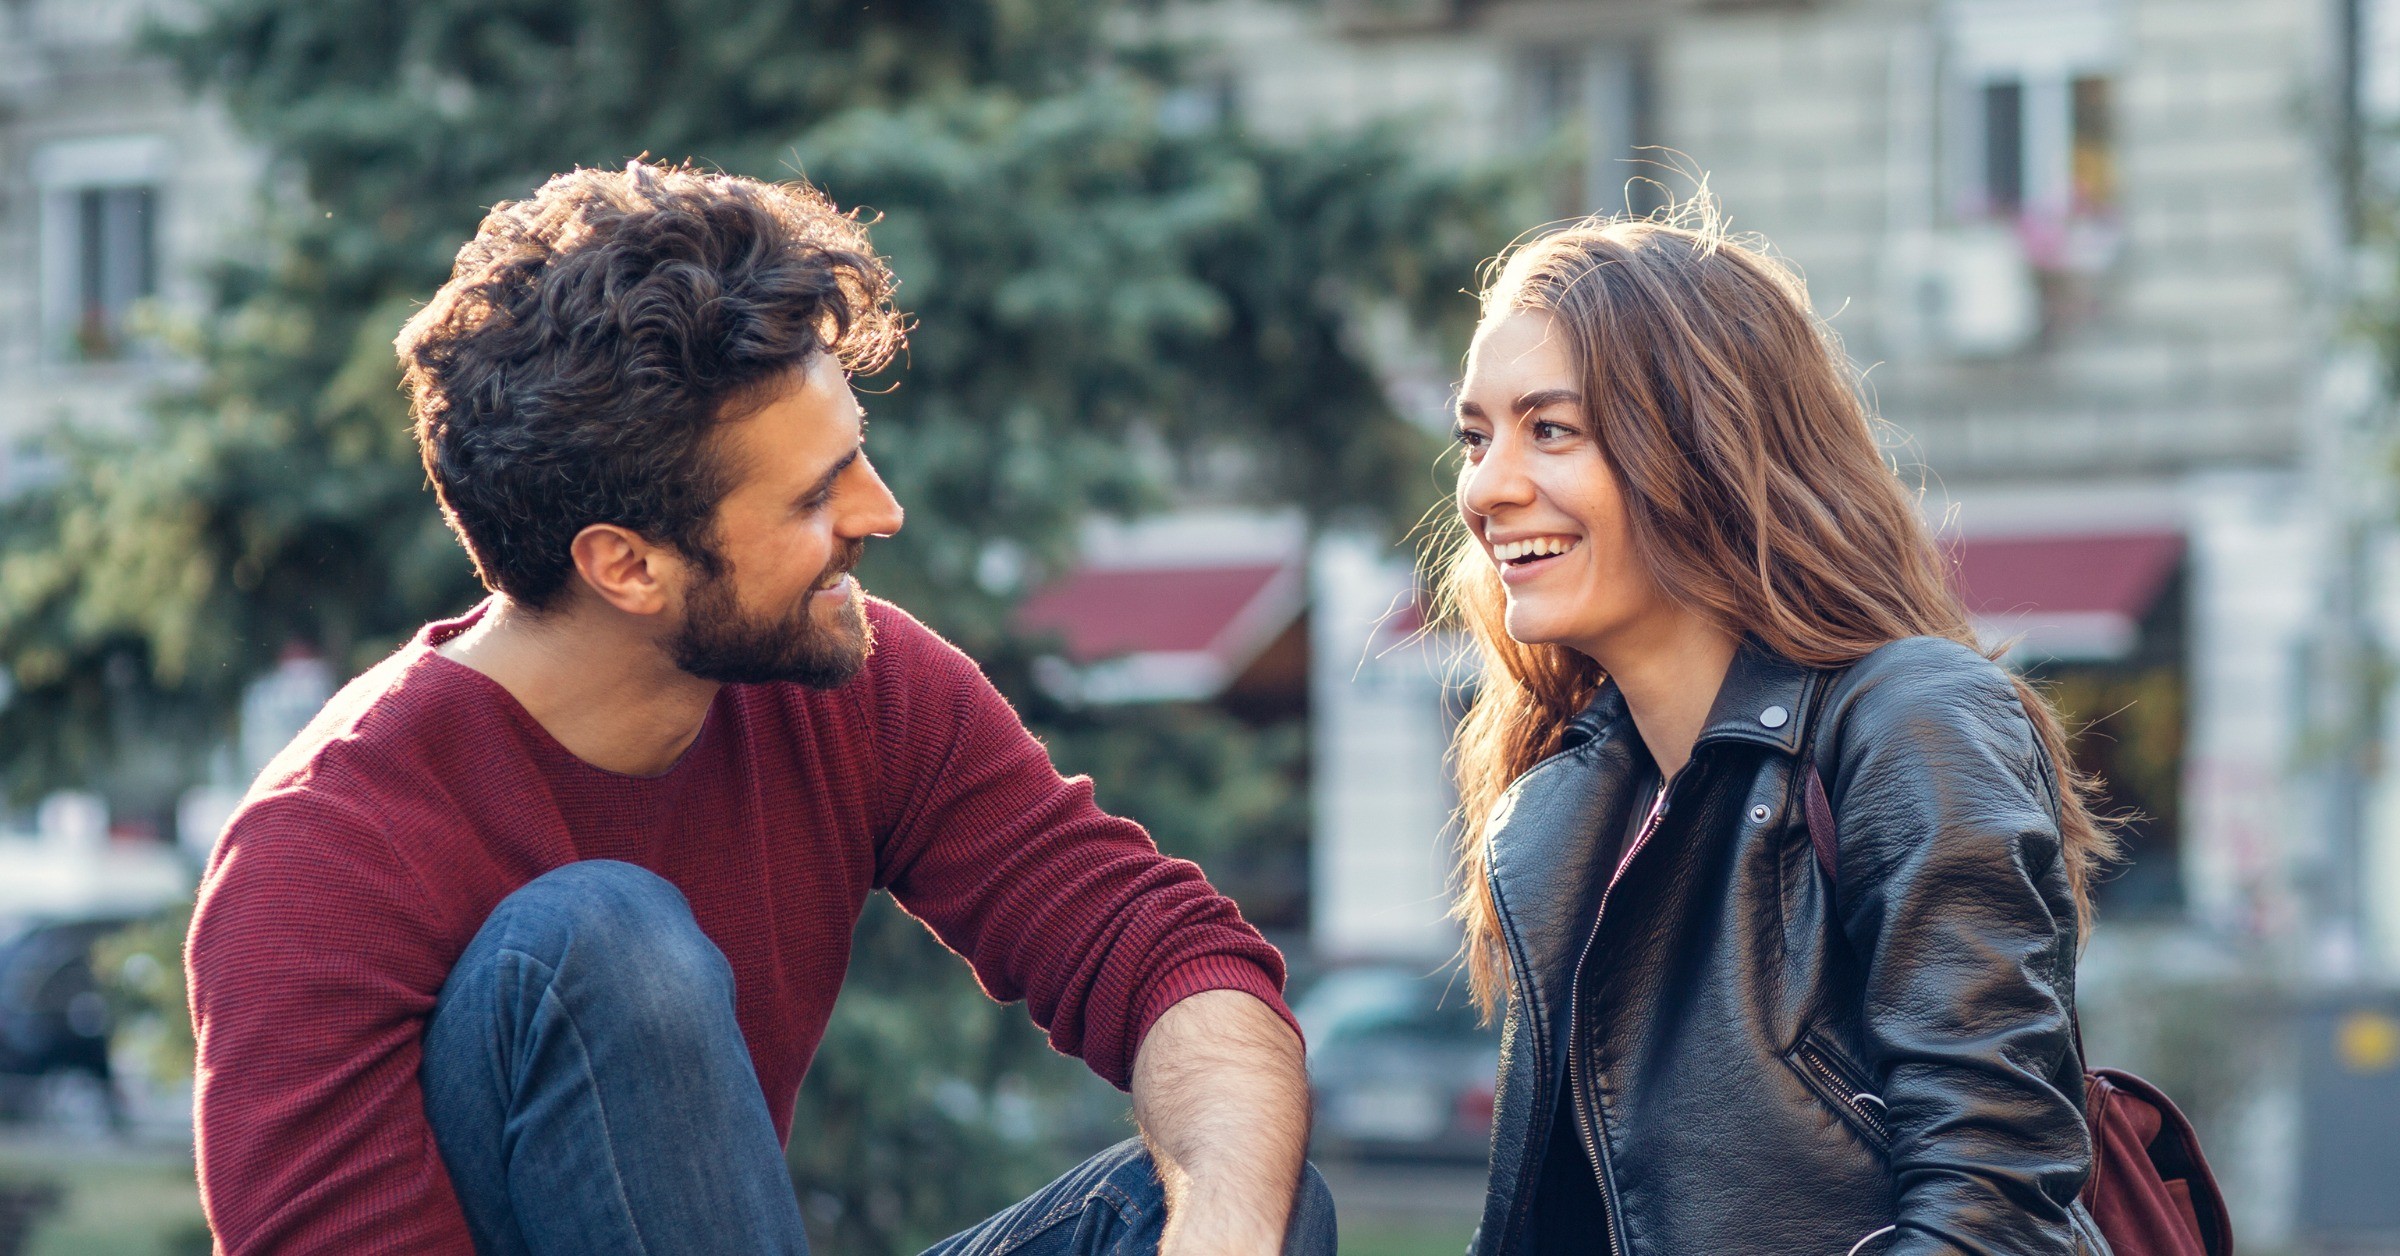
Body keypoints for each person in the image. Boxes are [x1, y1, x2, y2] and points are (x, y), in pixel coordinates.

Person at [185, 161, 1332, 1256]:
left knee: (1235, 1188)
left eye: (858, 454)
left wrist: (1223, 1230)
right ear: (627, 565)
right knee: (598, 938)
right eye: (817, 492)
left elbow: (1167, 955)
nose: (882, 513)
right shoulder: (323, 856)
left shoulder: (858, 685)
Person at [1437, 210, 2114, 1256]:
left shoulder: (1908, 721)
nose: (1488, 488)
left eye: (1552, 428)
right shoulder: (1564, 810)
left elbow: (1992, 1217)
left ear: (1703, 443)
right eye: (1476, 437)